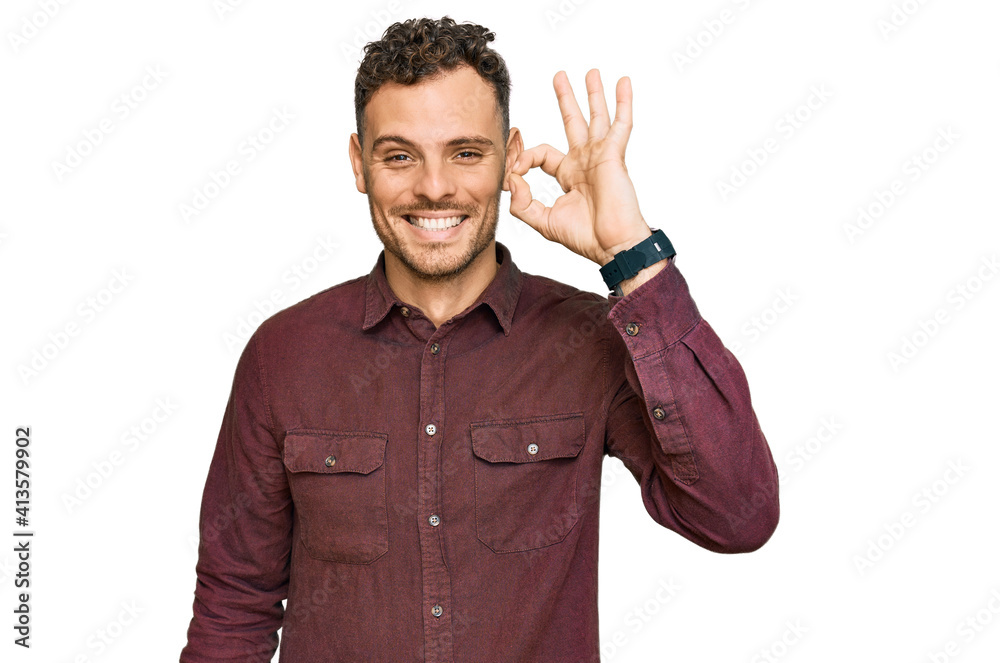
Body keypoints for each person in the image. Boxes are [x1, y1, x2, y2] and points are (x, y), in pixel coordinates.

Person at [180, 15, 779, 663]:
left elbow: (737, 514)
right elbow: (233, 604)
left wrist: (633, 256)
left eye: (465, 152)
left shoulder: (588, 341)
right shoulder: (284, 355)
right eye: (400, 155)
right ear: (359, 162)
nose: (435, 187)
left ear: (509, 155)